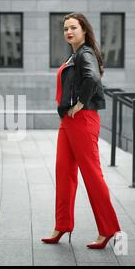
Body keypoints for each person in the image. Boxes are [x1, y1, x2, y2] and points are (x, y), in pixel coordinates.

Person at [41, 13, 121, 249]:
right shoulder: (74, 55)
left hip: (82, 120)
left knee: (92, 175)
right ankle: (62, 225)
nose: (68, 32)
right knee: (63, 172)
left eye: (73, 27)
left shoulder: (85, 53)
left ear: (84, 30)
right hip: (68, 121)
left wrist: (80, 103)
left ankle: (108, 229)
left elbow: (92, 78)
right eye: (65, 28)